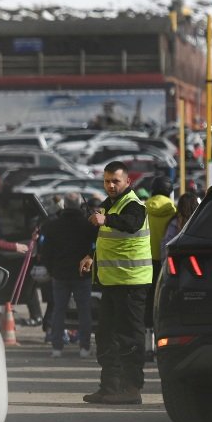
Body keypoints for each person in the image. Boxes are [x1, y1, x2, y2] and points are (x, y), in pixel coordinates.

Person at [81, 163, 152, 405]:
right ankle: (109, 387)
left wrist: (106, 219)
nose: (111, 185)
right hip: (112, 282)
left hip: (132, 283)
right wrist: (90, 256)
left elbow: (131, 223)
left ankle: (132, 389)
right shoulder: (109, 203)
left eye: (116, 181)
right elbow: (102, 236)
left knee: (130, 337)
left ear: (127, 182)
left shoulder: (134, 205)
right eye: (107, 181)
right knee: (106, 335)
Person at [40, 195, 97, 358]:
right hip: (82, 274)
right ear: (80, 205)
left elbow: (45, 253)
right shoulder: (86, 226)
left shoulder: (53, 226)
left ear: (64, 205)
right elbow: (96, 246)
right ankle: (84, 348)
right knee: (84, 311)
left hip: (60, 273)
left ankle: (57, 347)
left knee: (59, 310)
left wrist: (52, 270)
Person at [141, 176, 177, 336]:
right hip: (165, 262)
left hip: (144, 261)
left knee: (147, 301)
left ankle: (148, 338)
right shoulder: (174, 211)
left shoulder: (142, 209)